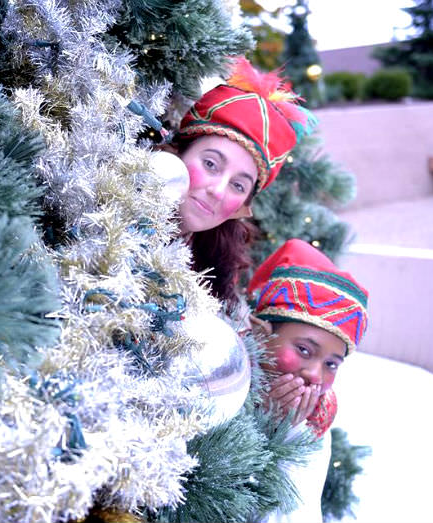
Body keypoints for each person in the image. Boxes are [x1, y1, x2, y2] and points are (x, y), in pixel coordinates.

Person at [155, 56, 317, 312]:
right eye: (210, 164)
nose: (217, 191)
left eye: (238, 186)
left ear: (244, 206)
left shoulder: (216, 271)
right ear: (177, 152)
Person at [246, 238, 370, 522]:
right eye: (304, 350)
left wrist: (287, 431)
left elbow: (296, 509)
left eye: (331, 364)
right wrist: (259, 422)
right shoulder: (219, 378)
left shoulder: (315, 419)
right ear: (260, 334)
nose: (315, 374)